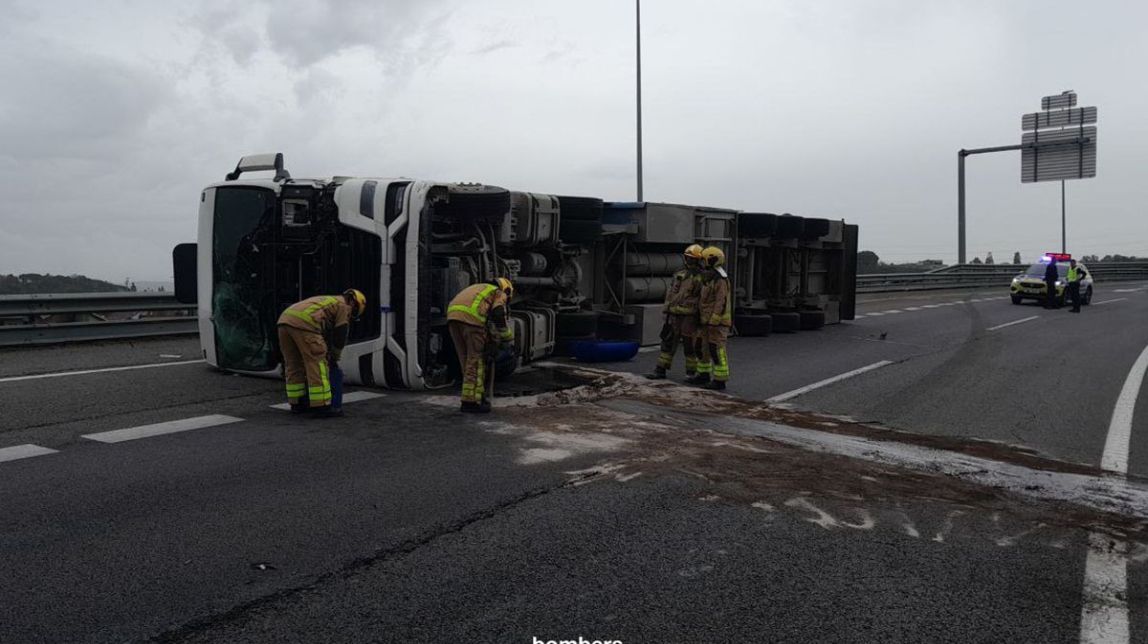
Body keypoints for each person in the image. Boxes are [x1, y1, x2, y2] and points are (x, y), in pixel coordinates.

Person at [277, 289, 366, 417]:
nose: (350, 314)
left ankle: (297, 403)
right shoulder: (343, 306)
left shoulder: (328, 300)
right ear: (353, 303)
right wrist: (335, 356)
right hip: (304, 324)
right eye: (354, 312)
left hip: (284, 322)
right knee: (317, 364)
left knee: (293, 364)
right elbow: (340, 334)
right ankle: (321, 405)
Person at [447, 278, 515, 413]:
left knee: (465, 361)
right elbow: (498, 312)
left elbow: (488, 321)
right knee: (476, 361)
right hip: (472, 320)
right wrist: (507, 336)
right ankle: (471, 403)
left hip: (453, 318)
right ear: (507, 289)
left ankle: (471, 396)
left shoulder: (479, 288)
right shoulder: (498, 292)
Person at [646, 244, 704, 380]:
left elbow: (702, 298)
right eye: (687, 258)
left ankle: (691, 373)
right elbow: (671, 292)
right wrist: (666, 309)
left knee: (690, 345)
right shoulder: (679, 273)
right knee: (668, 341)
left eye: (691, 258)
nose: (688, 261)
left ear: (698, 260)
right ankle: (660, 370)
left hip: (690, 315)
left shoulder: (701, 277)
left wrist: (700, 316)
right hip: (674, 314)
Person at [691, 246, 732, 391]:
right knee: (702, 348)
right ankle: (703, 374)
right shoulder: (709, 278)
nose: (702, 263)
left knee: (717, 349)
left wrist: (714, 320)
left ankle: (720, 380)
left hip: (718, 323)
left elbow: (721, 302)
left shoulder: (720, 280)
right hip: (705, 321)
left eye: (704, 259)